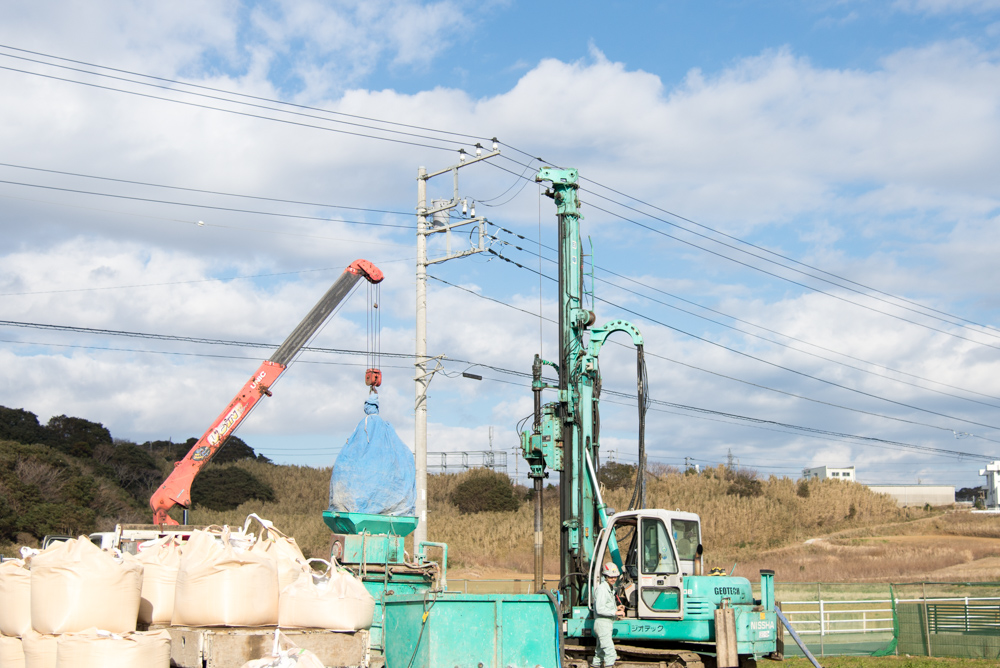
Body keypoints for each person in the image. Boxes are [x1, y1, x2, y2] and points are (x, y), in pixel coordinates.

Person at [592, 562, 625, 668]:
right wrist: (615, 612)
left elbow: (606, 606)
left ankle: (595, 666)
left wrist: (616, 608)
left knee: (599, 653)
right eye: (610, 577)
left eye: (615, 577)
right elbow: (600, 608)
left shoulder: (609, 589)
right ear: (606, 576)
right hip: (602, 624)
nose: (613, 579)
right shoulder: (602, 589)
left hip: (605, 623)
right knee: (611, 654)